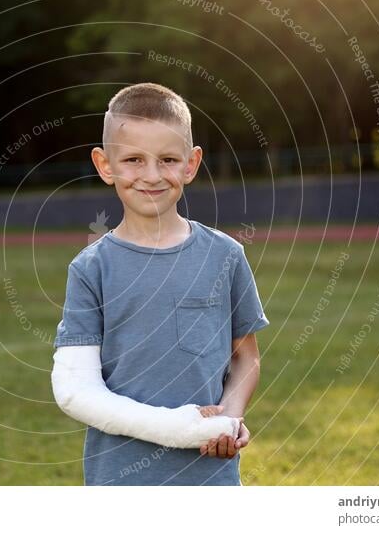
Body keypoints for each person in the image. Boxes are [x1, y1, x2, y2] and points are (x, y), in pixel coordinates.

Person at [51, 82, 270, 485]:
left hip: (209, 478)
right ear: (105, 165)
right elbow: (75, 390)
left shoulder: (225, 256)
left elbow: (246, 357)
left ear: (191, 164)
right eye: (133, 159)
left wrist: (229, 415)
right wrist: (177, 428)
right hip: (119, 481)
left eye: (168, 159)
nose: (151, 175)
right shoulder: (90, 269)